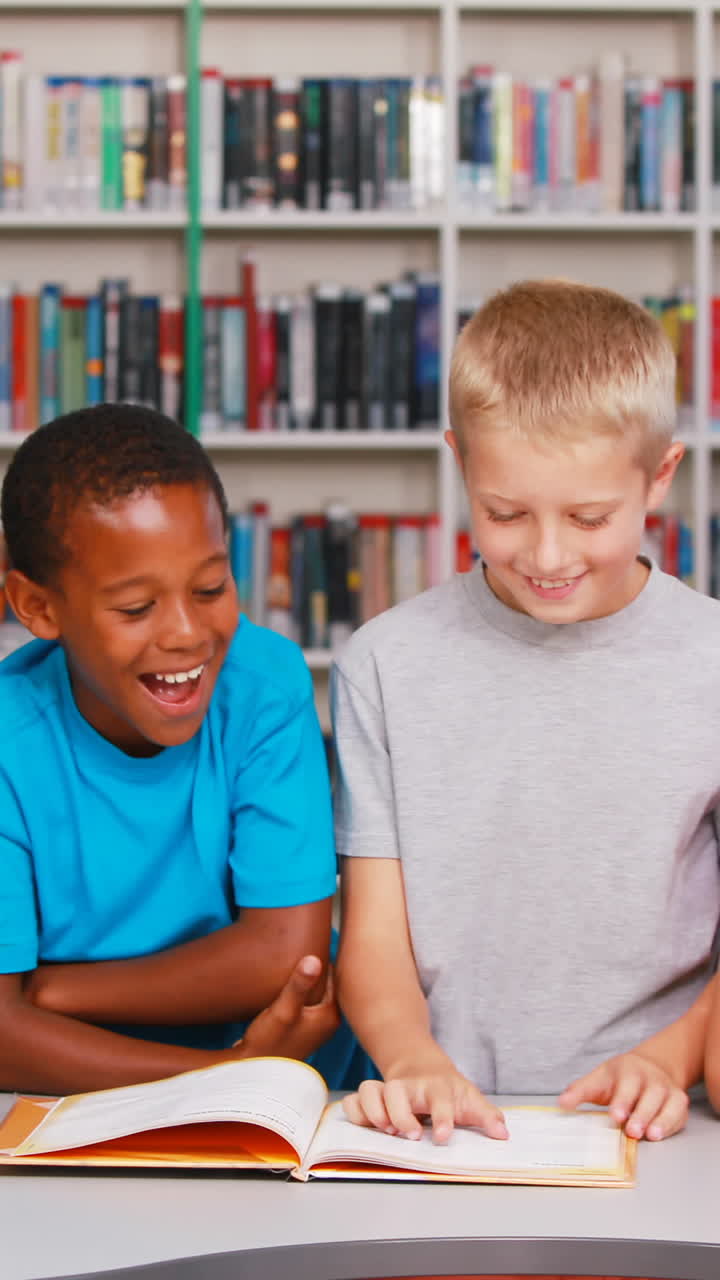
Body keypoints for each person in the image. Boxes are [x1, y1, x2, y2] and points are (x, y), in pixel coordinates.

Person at [333, 279, 720, 1148]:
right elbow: (375, 936)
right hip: (441, 1125)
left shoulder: (712, 663)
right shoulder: (384, 666)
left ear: (660, 477)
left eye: (589, 517)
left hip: (664, 1128)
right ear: (461, 463)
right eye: (505, 513)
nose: (546, 555)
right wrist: (408, 1058)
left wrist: (671, 1057)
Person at [0, 402, 354, 1095]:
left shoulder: (265, 685)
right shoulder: (11, 742)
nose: (188, 633)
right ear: (38, 608)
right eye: (136, 608)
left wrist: (55, 992)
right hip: (113, 1091)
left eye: (211, 588)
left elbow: (289, 954)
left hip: (304, 1085)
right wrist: (225, 1076)